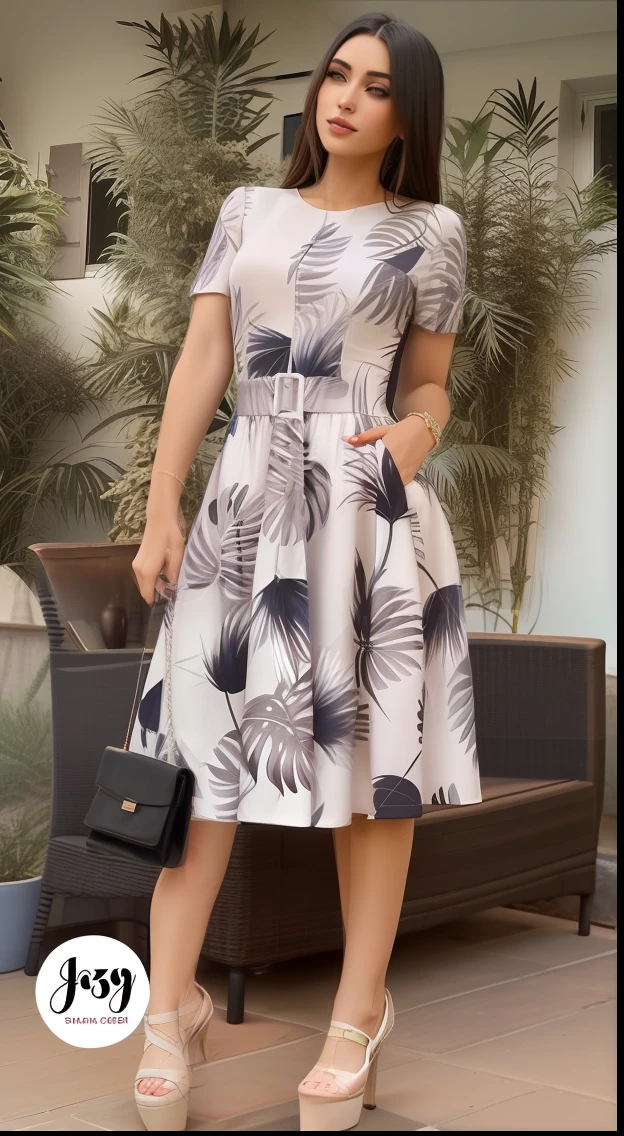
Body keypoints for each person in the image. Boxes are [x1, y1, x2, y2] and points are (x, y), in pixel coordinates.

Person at [129, 10, 482, 1132]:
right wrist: (160, 502)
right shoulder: (249, 211)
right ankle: (166, 1005)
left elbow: (428, 386)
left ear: (405, 113)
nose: (345, 97)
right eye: (337, 74)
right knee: (203, 749)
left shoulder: (432, 229)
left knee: (374, 774)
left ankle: (356, 1014)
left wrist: (421, 431)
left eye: (376, 86)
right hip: (243, 504)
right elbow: (203, 358)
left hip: (366, 511)